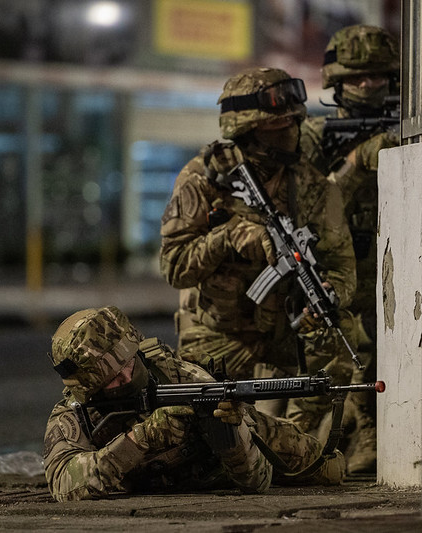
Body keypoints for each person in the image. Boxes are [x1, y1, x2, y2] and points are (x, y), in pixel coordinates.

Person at [158, 67, 357, 419]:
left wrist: (328, 294)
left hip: (284, 335)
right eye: (278, 130)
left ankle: (298, 441)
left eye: (295, 124)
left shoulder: (314, 188)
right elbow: (174, 267)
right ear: (247, 134)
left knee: (336, 330)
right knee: (202, 434)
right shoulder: (204, 179)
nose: (292, 135)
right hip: (217, 334)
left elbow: (342, 267)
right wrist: (231, 236)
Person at [42, 306, 345, 502]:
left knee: (331, 469)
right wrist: (140, 440)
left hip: (218, 466)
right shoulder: (74, 415)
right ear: (90, 388)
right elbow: (63, 484)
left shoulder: (179, 376)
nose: (126, 375)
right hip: (157, 480)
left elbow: (256, 482)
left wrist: (233, 434)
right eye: (112, 378)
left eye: (129, 363)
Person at [299, 24, 401, 474]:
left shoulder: (404, 128)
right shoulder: (313, 138)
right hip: (335, 267)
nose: (368, 85)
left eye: (377, 76)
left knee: (379, 356)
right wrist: (360, 162)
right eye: (358, 78)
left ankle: (367, 440)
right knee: (327, 368)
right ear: (337, 82)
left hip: (391, 261)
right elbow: (312, 203)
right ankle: (299, 448)